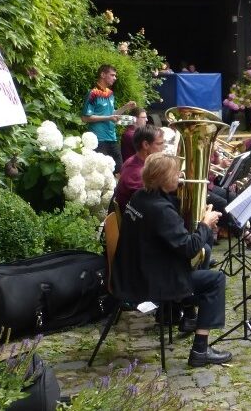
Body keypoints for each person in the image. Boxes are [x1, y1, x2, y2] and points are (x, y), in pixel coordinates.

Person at [113, 152, 232, 367]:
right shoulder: (160, 209)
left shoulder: (140, 196)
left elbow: (164, 232)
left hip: (129, 273)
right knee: (215, 280)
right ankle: (200, 350)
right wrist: (205, 224)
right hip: (150, 283)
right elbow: (189, 249)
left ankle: (190, 315)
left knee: (201, 262)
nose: (180, 176)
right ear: (162, 178)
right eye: (176, 174)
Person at [81, 64, 136, 173]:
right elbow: (85, 118)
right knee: (101, 173)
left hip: (112, 138)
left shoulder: (110, 93)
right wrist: (108, 117)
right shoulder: (92, 94)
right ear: (102, 75)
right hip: (99, 140)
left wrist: (126, 107)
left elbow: (112, 114)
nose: (115, 78)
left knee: (119, 169)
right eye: (112, 75)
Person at [113, 125, 165, 211]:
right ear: (145, 145)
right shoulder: (136, 173)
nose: (163, 148)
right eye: (159, 144)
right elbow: (151, 202)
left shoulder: (135, 160)